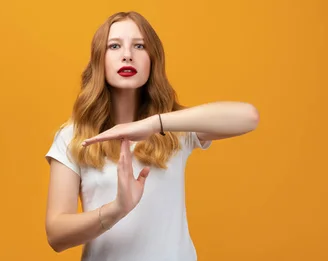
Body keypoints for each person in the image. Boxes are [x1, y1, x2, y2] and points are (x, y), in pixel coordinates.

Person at [44, 11, 259, 261]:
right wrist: (117, 209)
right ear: (99, 59)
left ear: (153, 60)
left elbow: (248, 116)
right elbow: (56, 234)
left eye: (139, 46)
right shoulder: (73, 136)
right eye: (114, 46)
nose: (127, 55)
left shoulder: (174, 128)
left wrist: (154, 123)